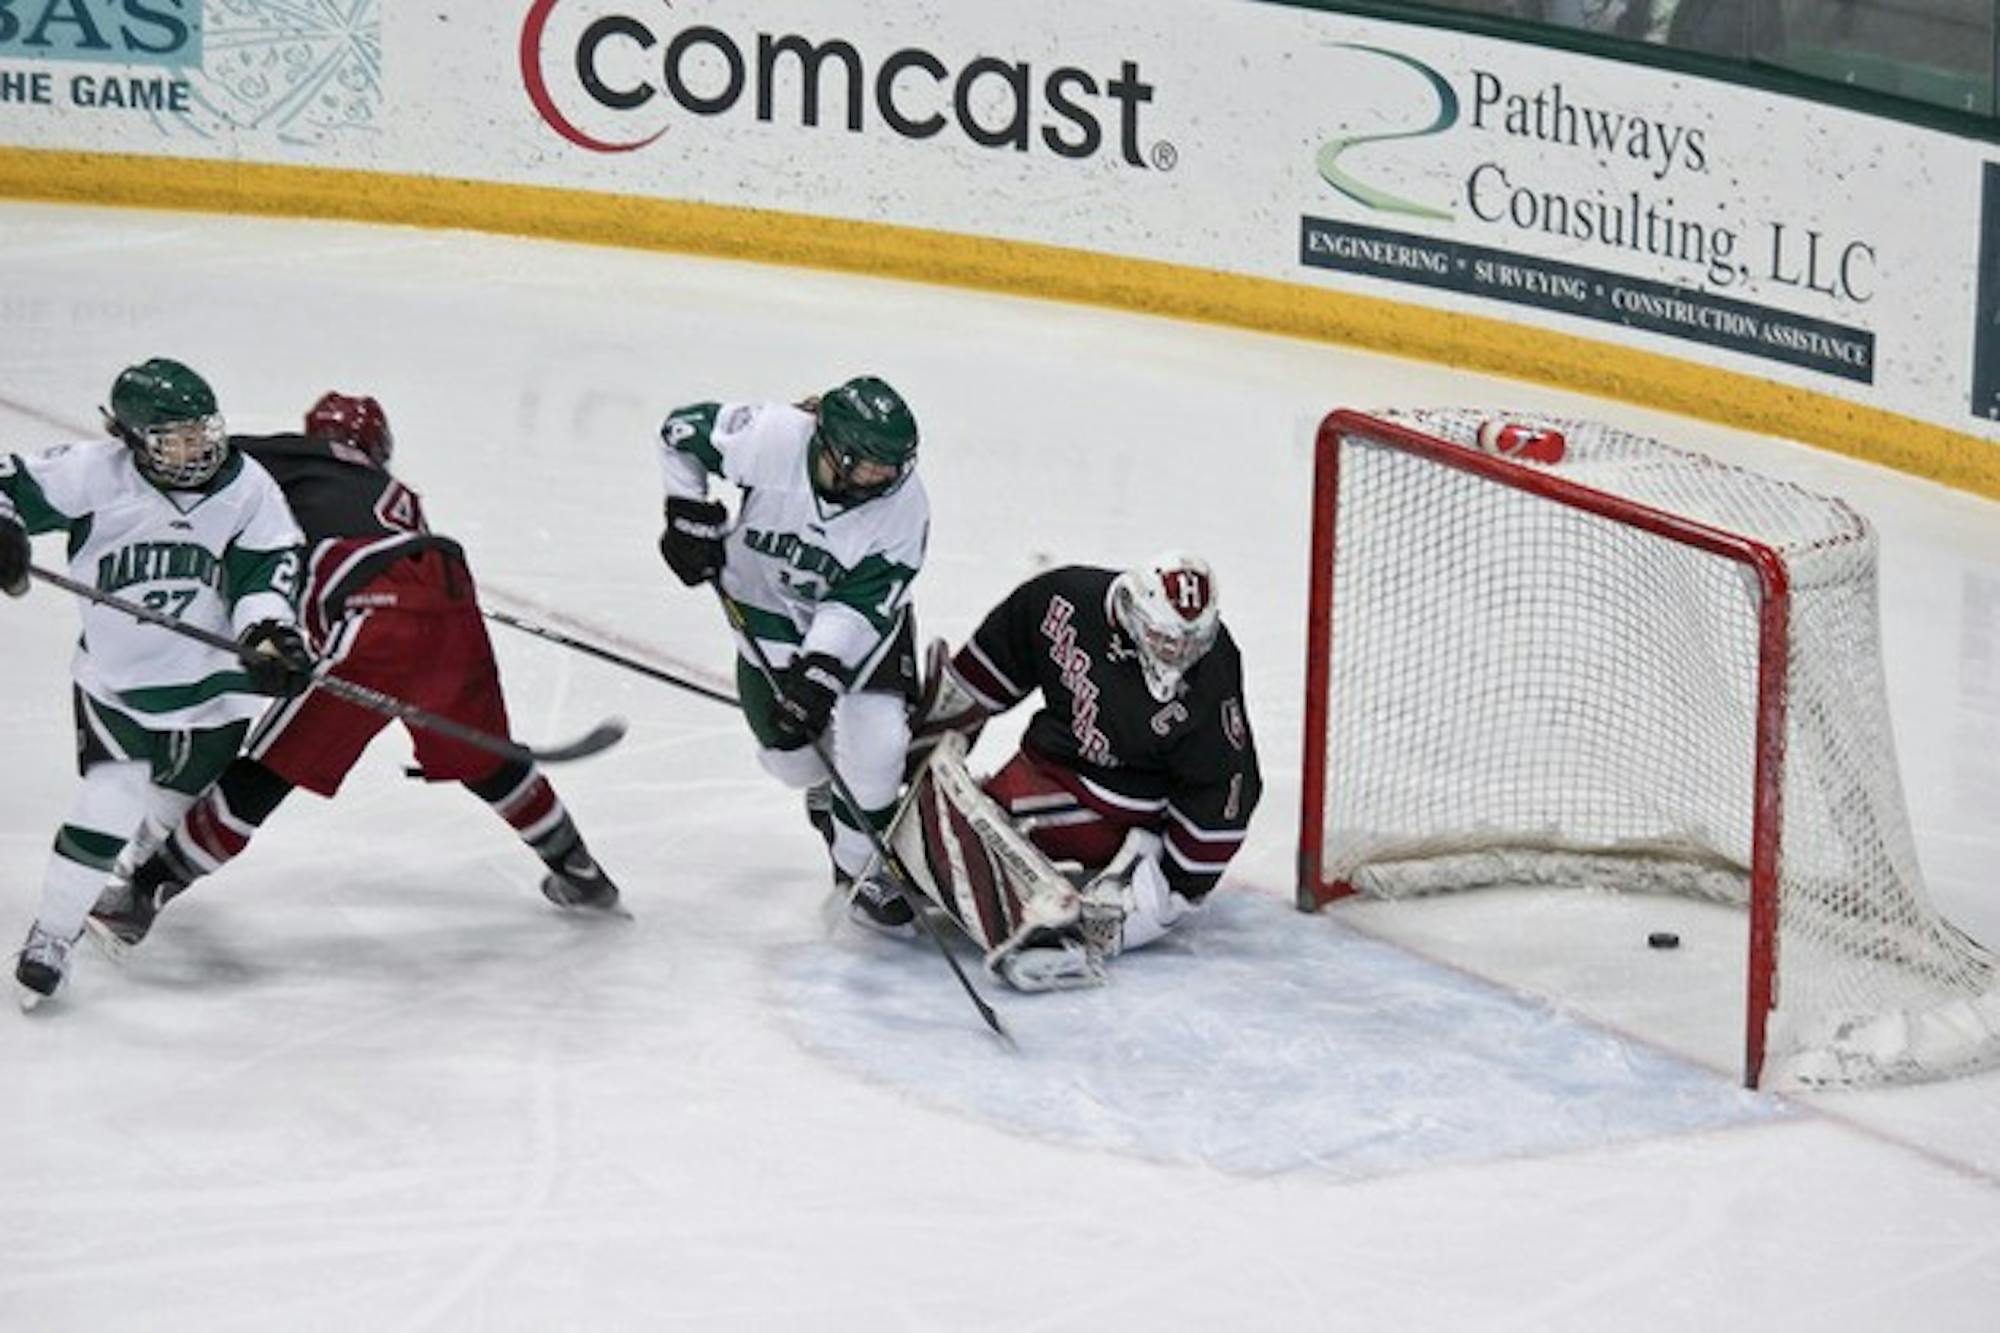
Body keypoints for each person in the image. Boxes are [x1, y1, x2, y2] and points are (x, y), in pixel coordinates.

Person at [87, 391, 624, 957]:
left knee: (266, 771)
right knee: (486, 759)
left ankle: (142, 893)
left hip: (377, 618)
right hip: (451, 602)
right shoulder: (396, 495)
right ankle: (580, 871)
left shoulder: (304, 457)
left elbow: (209, 465)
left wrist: (135, 439)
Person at [0, 358, 310, 1007]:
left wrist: (269, 635)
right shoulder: (93, 474)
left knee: (170, 811)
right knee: (106, 804)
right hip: (118, 684)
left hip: (214, 691)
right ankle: (51, 936)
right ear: (134, 439)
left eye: (203, 433)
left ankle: (127, 879)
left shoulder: (248, 488)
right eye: (177, 440)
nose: (197, 450)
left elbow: (267, 571)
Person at [898, 552, 1261, 991]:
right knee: (968, 812)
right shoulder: (1063, 599)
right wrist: (925, 736)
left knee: (976, 824)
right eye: (1165, 639)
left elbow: (1225, 789)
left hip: (1124, 801)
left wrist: (1158, 898)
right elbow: (994, 663)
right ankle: (917, 860)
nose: (1179, 655)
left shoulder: (1212, 670)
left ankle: (1036, 925)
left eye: (1192, 642)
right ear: (1131, 609)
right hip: (1051, 764)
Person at [654, 375, 927, 926]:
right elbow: (679, 433)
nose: (887, 477)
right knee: (793, 760)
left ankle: (861, 870)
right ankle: (825, 794)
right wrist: (685, 512)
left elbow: (861, 602)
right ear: (835, 450)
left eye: (894, 466)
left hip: (861, 630)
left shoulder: (904, 508)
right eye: (873, 465)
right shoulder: (771, 437)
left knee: (877, 748)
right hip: (765, 606)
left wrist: (821, 666)